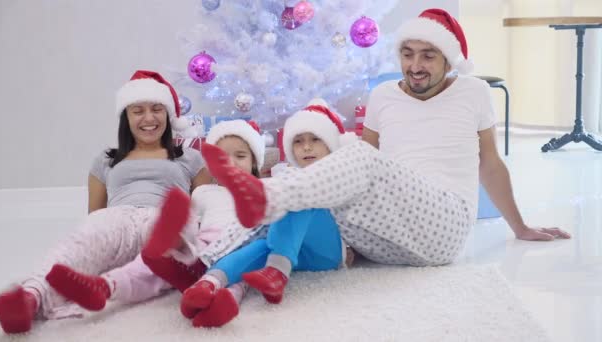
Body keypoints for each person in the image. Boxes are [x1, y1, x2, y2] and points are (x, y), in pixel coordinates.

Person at [195, 8, 571, 272]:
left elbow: (490, 164)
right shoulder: (384, 95)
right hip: (388, 233)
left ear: (448, 61)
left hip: (445, 227)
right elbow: (358, 174)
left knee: (353, 157)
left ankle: (266, 195)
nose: (416, 66)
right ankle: (203, 262)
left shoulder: (473, 92)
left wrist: (519, 227)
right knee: (304, 191)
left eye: (428, 56)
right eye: (407, 55)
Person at [0, 70, 210, 334]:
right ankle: (30, 298)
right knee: (78, 244)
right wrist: (98, 242)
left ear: (168, 115)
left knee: (180, 224)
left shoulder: (189, 157)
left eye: (157, 109)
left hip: (162, 215)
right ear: (126, 118)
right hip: (118, 218)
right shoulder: (105, 160)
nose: (149, 118)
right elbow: (94, 213)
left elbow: (205, 207)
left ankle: (170, 248)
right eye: (138, 110)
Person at [38, 119, 268, 319]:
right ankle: (105, 286)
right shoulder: (204, 192)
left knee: (237, 274)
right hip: (205, 247)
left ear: (254, 162)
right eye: (222, 157)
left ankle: (220, 304)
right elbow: (193, 221)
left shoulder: (265, 189)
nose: (231, 162)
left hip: (240, 246)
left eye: (240, 156)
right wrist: (181, 239)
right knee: (151, 265)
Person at [177, 99, 358, 328]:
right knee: (261, 245)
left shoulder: (341, 175)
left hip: (329, 252)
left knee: (297, 196)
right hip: (294, 255)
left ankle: (276, 271)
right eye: (299, 142)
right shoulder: (284, 177)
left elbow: (359, 217)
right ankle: (209, 283)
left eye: (315, 140)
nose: (307, 147)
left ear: (330, 145)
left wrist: (357, 250)